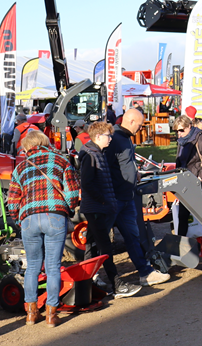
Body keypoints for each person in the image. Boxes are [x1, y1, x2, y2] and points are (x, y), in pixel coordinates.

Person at [7, 130, 81, 327]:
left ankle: (31, 313)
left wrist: (18, 219)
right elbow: (73, 191)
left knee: (32, 267)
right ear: (45, 142)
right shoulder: (61, 160)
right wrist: (70, 209)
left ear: (26, 147)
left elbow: (12, 199)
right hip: (55, 215)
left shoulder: (20, 167)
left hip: (29, 218)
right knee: (53, 266)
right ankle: (51, 314)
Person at [106, 108, 171, 287]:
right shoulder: (115, 139)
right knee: (99, 239)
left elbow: (125, 163)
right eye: (140, 125)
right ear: (131, 121)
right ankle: (95, 278)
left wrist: (135, 173)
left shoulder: (125, 139)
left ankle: (145, 272)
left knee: (133, 236)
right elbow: (107, 167)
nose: (141, 129)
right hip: (115, 197)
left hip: (126, 196)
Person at [77, 122, 141, 298]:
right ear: (98, 137)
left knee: (91, 245)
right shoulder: (90, 155)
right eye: (108, 135)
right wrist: (103, 201)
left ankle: (87, 282)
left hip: (97, 207)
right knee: (105, 246)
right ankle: (116, 284)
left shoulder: (97, 153)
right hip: (97, 208)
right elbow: (87, 183)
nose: (110, 138)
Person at [174, 116, 202, 237]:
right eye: (177, 131)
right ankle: (182, 242)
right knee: (183, 215)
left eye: (182, 130)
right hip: (185, 182)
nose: (179, 134)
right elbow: (179, 162)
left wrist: (199, 178)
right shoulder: (182, 141)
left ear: (189, 127)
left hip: (198, 182)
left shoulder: (200, 138)